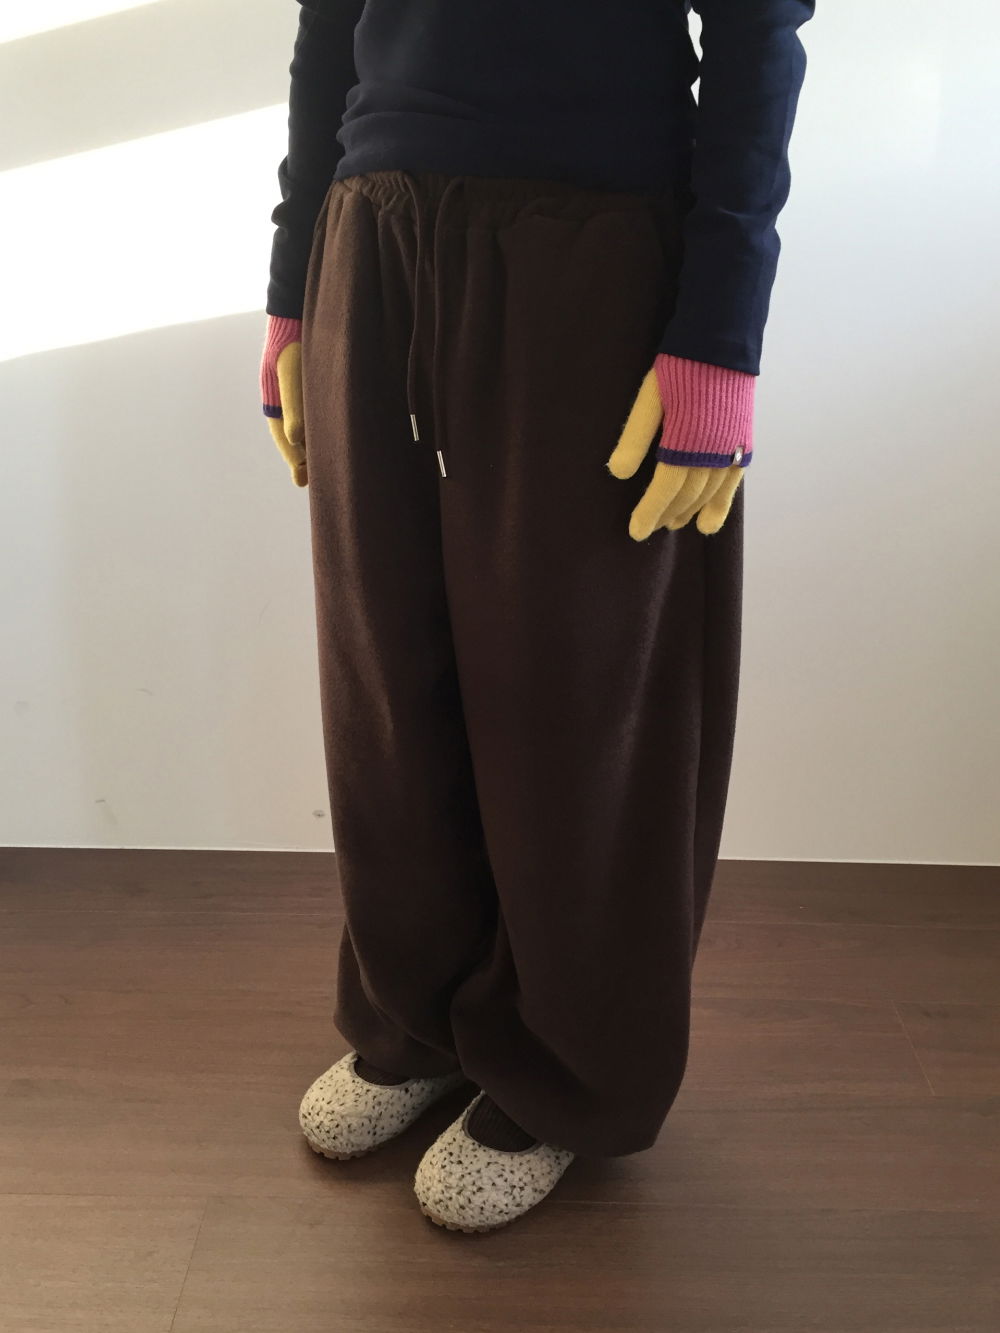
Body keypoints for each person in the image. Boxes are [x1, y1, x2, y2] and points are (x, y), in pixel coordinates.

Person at [259, 0, 814, 1234]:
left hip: (590, 246)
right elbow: (327, 24)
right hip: (372, 229)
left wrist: (719, 332)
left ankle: (565, 1066)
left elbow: (757, 31)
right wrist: (294, 285)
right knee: (385, 676)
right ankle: (415, 1014)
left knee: (576, 697)